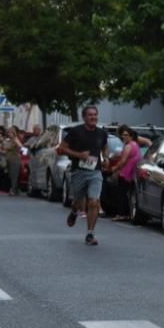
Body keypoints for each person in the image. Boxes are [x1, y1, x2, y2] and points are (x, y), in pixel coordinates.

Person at [57, 105, 110, 245]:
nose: (93, 117)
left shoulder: (101, 133)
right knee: (79, 202)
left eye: (95, 115)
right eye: (90, 115)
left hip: (95, 172)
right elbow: (61, 149)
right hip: (78, 171)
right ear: (84, 117)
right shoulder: (76, 132)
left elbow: (104, 147)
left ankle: (90, 234)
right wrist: (79, 155)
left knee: (93, 202)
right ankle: (74, 211)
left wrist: (106, 158)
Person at [108, 125, 141, 222]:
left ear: (131, 136)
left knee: (121, 194)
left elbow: (123, 161)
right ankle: (126, 213)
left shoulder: (129, 146)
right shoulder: (135, 145)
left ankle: (121, 214)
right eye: (123, 135)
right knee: (126, 194)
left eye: (126, 135)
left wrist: (114, 168)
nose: (124, 137)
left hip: (125, 174)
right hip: (131, 174)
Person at [2, 126, 23, 196]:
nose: (9, 134)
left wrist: (17, 150)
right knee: (11, 175)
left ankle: (13, 190)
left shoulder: (15, 139)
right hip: (8, 159)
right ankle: (15, 189)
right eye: (8, 132)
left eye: (10, 132)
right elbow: (4, 148)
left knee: (14, 175)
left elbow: (20, 146)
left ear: (13, 133)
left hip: (15, 159)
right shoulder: (7, 140)